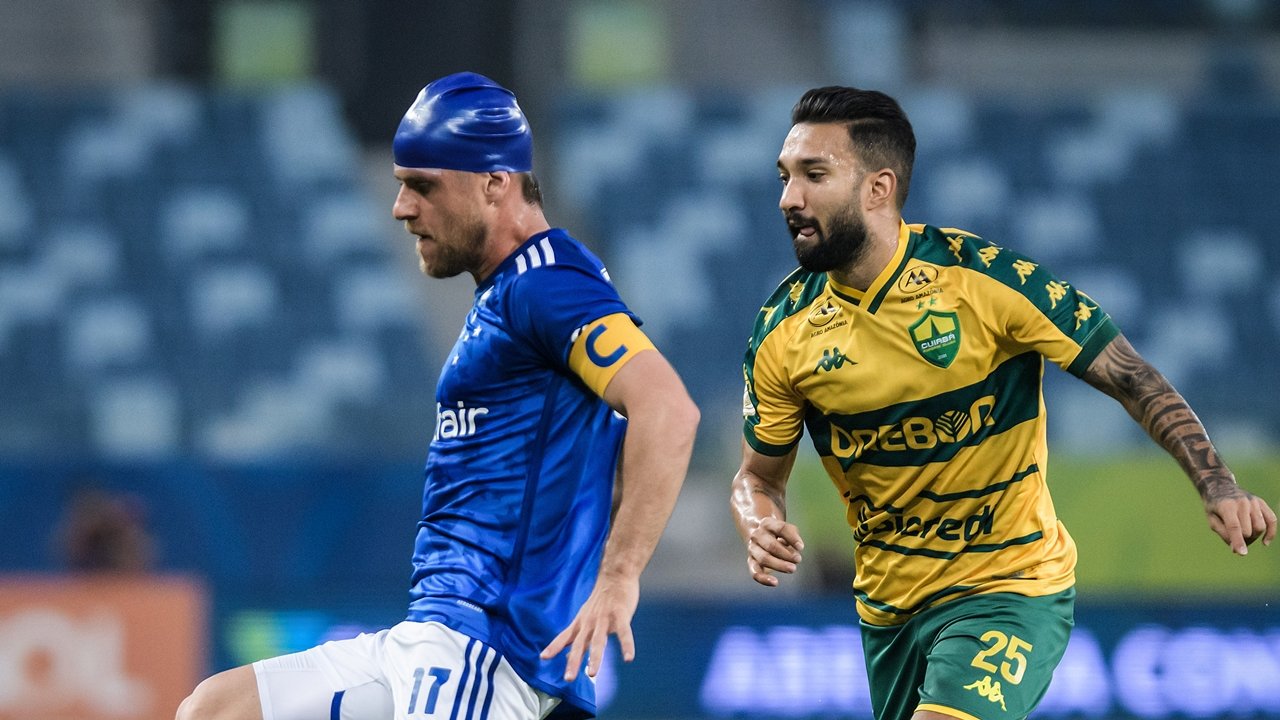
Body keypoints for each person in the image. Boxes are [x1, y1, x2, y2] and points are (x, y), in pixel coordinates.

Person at [730, 85, 1276, 720]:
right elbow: (758, 476)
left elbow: (1132, 376)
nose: (787, 199)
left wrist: (1218, 483)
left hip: (1011, 588)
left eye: (812, 175)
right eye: (784, 176)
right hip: (889, 614)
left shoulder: (984, 282)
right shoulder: (783, 332)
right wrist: (758, 521)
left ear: (878, 188)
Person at [178, 72, 699, 720]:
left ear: (494, 182)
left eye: (423, 185)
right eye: (400, 184)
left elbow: (668, 408)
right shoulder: (509, 293)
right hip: (427, 633)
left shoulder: (548, 286)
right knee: (214, 710)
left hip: (481, 646)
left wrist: (619, 576)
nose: (400, 207)